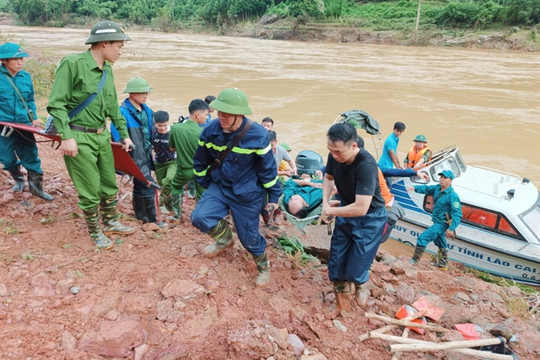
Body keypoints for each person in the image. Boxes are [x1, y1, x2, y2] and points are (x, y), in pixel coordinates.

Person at [47, 20, 135, 249]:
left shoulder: (107, 70)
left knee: (108, 182)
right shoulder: (72, 64)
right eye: (119, 46)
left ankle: (112, 221)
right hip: (78, 135)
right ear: (104, 43)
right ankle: (95, 231)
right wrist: (66, 137)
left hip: (101, 135)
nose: (120, 51)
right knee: (90, 188)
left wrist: (124, 135)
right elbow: (56, 104)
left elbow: (113, 106)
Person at [190, 88, 281, 287]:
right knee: (199, 217)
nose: (221, 117)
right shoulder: (210, 131)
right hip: (221, 186)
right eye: (219, 112)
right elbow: (199, 162)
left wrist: (273, 198)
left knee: (249, 238)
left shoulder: (257, 135)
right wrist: (208, 184)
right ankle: (224, 239)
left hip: (247, 193)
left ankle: (263, 266)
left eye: (226, 114)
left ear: (239, 114)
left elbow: (268, 170)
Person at [321, 122, 387, 314]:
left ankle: (361, 283)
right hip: (345, 211)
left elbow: (361, 208)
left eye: (338, 152)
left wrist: (331, 212)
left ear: (354, 146)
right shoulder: (335, 154)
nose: (334, 155)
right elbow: (328, 178)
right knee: (336, 262)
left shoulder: (366, 165)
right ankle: (341, 305)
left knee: (357, 265)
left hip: (370, 218)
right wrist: (326, 204)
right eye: (331, 150)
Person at [0, 42, 54, 201]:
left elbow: (30, 100)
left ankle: (36, 188)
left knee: (30, 155)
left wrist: (34, 117)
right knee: (5, 156)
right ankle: (17, 176)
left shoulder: (25, 77)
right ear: (4, 60)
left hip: (24, 124)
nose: (20, 63)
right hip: (4, 125)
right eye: (16, 60)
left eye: (22, 59)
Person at [111, 77, 164, 227]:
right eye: (142, 93)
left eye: (147, 93)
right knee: (147, 182)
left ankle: (141, 217)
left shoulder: (146, 110)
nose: (146, 96)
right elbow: (116, 131)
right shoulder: (123, 111)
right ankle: (151, 220)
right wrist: (124, 151)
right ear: (131, 94)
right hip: (134, 153)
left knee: (140, 183)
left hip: (146, 152)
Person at [407, 170, 462, 269]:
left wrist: (452, 228)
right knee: (440, 242)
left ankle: (414, 261)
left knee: (423, 238)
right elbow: (426, 189)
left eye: (445, 178)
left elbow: (457, 214)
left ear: (450, 181)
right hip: (436, 221)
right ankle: (443, 262)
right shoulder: (437, 188)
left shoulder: (452, 196)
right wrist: (414, 188)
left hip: (442, 223)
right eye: (441, 177)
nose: (442, 179)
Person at [168, 99, 209, 220]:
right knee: (201, 193)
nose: (206, 118)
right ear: (198, 114)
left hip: (183, 170)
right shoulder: (203, 132)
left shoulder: (175, 128)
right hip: (200, 170)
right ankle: (201, 218)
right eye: (206, 114)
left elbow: (171, 148)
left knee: (176, 186)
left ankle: (176, 216)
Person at [151, 110, 176, 214]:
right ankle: (169, 205)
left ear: (168, 123)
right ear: (155, 124)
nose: (162, 128)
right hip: (159, 163)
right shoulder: (153, 132)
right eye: (159, 125)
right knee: (163, 186)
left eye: (165, 125)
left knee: (169, 180)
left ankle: (160, 204)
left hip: (172, 161)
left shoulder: (173, 132)